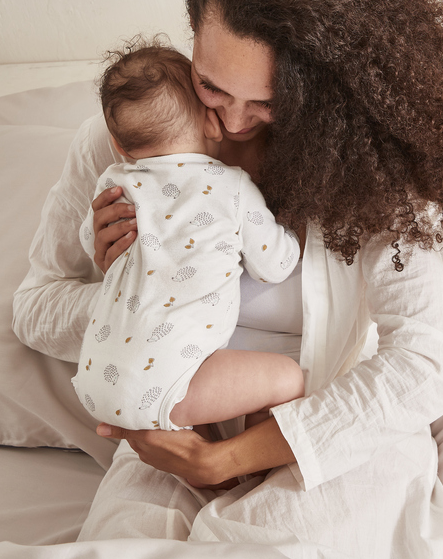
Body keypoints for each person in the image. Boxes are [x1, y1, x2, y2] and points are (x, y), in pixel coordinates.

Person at [12, 0, 443, 559]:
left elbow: (425, 364)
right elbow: (36, 307)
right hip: (169, 435)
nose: (234, 125)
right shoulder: (126, 143)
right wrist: (124, 295)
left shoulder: (368, 172)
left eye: (268, 103)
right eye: (213, 88)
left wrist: (236, 458)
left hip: (326, 437)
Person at [72, 39, 303, 436]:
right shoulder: (230, 186)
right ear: (210, 122)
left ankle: (205, 448)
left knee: (186, 382)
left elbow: (88, 238)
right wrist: (293, 235)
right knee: (288, 379)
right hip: (168, 386)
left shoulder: (116, 180)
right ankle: (251, 462)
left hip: (95, 382)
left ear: (118, 146)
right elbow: (275, 267)